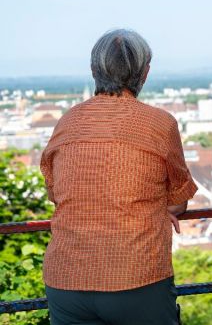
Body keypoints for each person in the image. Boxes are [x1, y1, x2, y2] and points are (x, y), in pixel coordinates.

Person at [40, 29, 197, 325]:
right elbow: (179, 200)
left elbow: (55, 192)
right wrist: (162, 209)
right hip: (136, 274)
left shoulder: (67, 121)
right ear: (144, 73)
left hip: (66, 276)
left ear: (93, 70)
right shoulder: (160, 123)